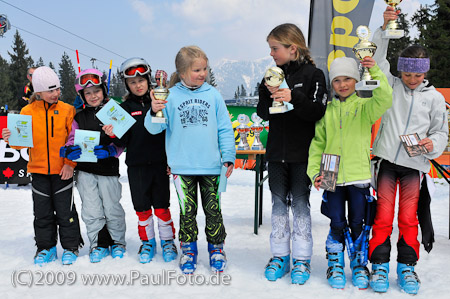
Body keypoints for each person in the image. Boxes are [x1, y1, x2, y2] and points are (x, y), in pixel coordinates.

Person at [368, 6, 449, 295]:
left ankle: (407, 266)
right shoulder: (391, 86)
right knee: (383, 214)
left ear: (425, 72)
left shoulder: (435, 99)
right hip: (387, 162)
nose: (410, 80)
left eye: (416, 76)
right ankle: (378, 264)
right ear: (400, 70)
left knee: (408, 218)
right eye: (406, 74)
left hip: (415, 166)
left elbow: (440, 132)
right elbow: (376, 60)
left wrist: (432, 145)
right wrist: (384, 28)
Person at [144, 46, 236, 274]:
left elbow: (224, 128)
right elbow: (154, 130)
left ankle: (216, 249)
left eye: (205, 68)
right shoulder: (170, 95)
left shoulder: (213, 95)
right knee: (188, 211)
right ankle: (189, 250)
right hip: (182, 167)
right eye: (197, 70)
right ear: (182, 72)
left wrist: (228, 156)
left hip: (212, 167)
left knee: (213, 210)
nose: (202, 73)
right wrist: (154, 110)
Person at [307, 57, 392, 289]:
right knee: (336, 220)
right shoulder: (327, 111)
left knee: (358, 221)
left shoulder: (365, 107)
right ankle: (335, 262)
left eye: (347, 79)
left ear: (356, 80)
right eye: (337, 80)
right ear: (331, 84)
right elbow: (318, 143)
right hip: (331, 175)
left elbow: (385, 98)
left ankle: (358, 263)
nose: (342, 84)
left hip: (358, 176)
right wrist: (315, 172)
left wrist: (373, 69)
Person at [256, 23, 327, 284]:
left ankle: (302, 259)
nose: (272, 54)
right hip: (275, 154)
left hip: (302, 155)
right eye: (271, 49)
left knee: (299, 206)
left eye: (275, 48)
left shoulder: (314, 75)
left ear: (292, 48)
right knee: (276, 207)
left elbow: (317, 112)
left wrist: (293, 96)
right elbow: (262, 113)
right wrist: (267, 93)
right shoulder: (270, 75)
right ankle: (279, 256)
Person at [2, 66, 83, 265]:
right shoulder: (27, 111)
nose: (56, 93)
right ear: (38, 92)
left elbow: (73, 141)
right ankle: (45, 247)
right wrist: (10, 138)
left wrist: (69, 165)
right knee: (42, 213)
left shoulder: (67, 110)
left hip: (62, 171)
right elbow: (21, 142)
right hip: (38, 171)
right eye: (50, 90)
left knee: (66, 211)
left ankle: (71, 247)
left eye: (57, 89)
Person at [105, 57, 177, 264]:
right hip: (136, 166)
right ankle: (148, 242)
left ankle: (167, 241)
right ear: (127, 85)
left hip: (160, 164)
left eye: (141, 80)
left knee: (162, 206)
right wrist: (112, 133)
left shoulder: (161, 99)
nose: (138, 85)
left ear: (148, 80)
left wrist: (172, 160)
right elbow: (124, 139)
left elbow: (171, 132)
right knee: (142, 207)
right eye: (132, 82)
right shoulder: (124, 107)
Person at [60, 69, 126, 263]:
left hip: (108, 170)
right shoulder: (79, 117)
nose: (92, 96)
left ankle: (117, 242)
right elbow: (72, 139)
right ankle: (98, 243)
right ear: (82, 96)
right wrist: (68, 150)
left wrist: (112, 150)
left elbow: (124, 139)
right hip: (85, 172)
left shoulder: (113, 112)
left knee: (112, 207)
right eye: (87, 93)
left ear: (104, 90)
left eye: (96, 91)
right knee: (91, 209)